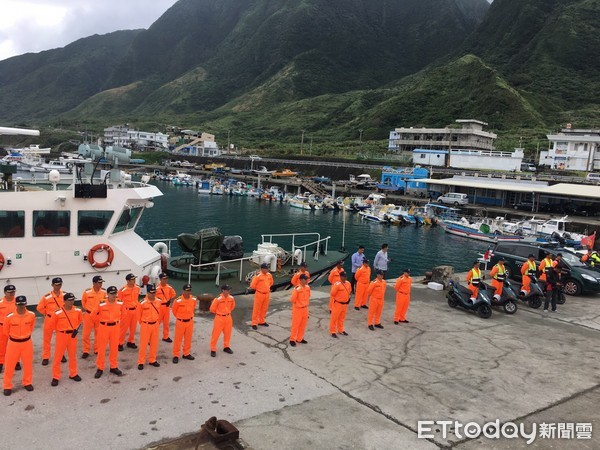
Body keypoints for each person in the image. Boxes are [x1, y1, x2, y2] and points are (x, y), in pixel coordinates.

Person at [3, 295, 35, 396]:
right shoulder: (9, 317)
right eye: (19, 304)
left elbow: (31, 327)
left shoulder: (31, 315)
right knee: (9, 365)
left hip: (27, 343)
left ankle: (27, 382)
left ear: (26, 303)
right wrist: (15, 338)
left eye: (23, 304)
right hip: (13, 343)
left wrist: (24, 336)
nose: (21, 306)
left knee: (28, 364)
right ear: (15, 304)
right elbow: (5, 331)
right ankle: (7, 386)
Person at [50, 293, 83, 386]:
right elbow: (52, 324)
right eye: (69, 300)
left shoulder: (78, 310)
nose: (71, 302)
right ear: (64, 301)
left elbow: (80, 320)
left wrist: (76, 329)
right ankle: (55, 376)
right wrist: (59, 330)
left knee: (72, 356)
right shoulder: (57, 312)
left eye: (73, 300)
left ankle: (73, 373)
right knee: (58, 357)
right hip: (61, 335)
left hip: (72, 335)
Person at [93, 286, 124, 378]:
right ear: (107, 294)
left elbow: (124, 314)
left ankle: (113, 366)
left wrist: (117, 321)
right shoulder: (102, 303)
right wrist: (101, 322)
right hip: (104, 327)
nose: (114, 295)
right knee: (101, 348)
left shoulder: (120, 303)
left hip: (115, 327)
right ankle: (100, 368)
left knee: (114, 348)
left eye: (115, 293)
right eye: (112, 294)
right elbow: (93, 314)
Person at [37, 277, 65, 365]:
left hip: (61, 320)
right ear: (52, 285)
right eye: (56, 285)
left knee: (60, 339)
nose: (58, 286)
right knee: (47, 339)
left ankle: (61, 354)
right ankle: (46, 356)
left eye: (60, 284)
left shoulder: (64, 295)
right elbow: (39, 308)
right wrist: (47, 313)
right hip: (49, 319)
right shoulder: (47, 297)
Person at [81, 275, 107, 359]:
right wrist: (88, 310)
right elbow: (83, 302)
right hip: (88, 315)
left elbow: (105, 302)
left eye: (101, 282)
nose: (101, 284)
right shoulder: (87, 292)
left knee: (98, 333)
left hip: (99, 316)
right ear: (94, 283)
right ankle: (86, 350)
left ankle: (97, 349)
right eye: (99, 283)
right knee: (86, 334)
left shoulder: (103, 292)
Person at [137, 284, 161, 370]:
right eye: (151, 292)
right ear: (147, 293)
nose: (153, 294)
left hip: (155, 324)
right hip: (145, 325)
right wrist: (143, 323)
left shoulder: (158, 301)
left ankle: (152, 360)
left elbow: (160, 312)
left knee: (154, 344)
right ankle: (141, 361)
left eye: (154, 292)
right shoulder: (142, 302)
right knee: (143, 344)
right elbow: (138, 315)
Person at [172, 284, 197, 363]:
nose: (188, 292)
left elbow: (193, 308)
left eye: (189, 291)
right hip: (180, 322)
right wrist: (180, 317)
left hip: (190, 322)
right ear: (183, 291)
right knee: (178, 339)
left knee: (188, 339)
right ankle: (176, 355)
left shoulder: (193, 299)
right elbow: (174, 311)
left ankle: (186, 353)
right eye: (187, 291)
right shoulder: (178, 300)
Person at [209, 285, 235, 357]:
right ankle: (213, 349)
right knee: (216, 334)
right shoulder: (218, 299)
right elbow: (212, 309)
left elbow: (233, 306)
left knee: (228, 333)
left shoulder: (231, 298)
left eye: (229, 290)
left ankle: (226, 347)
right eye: (227, 290)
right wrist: (219, 312)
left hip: (228, 317)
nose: (228, 291)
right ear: (223, 290)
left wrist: (227, 312)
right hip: (219, 318)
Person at [118, 273, 140, 351]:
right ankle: (120, 343)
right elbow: (119, 301)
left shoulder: (137, 288)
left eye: (134, 279)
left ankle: (131, 341)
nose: (134, 281)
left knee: (133, 328)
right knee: (123, 328)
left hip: (135, 310)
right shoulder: (122, 290)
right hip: (126, 311)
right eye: (132, 279)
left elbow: (136, 298)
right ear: (128, 281)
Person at [249, 263, 273, 330]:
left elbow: (271, 282)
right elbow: (252, 285)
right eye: (265, 268)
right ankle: (254, 323)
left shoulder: (269, 275)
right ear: (262, 269)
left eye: (267, 268)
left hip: (267, 294)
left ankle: (261, 321)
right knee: (257, 309)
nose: (267, 270)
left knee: (264, 309)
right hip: (259, 294)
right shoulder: (258, 276)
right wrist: (260, 288)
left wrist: (266, 287)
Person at [289, 274, 311, 346]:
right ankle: (292, 339)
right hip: (298, 309)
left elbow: (308, 296)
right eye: (305, 279)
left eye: (307, 279)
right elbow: (292, 299)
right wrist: (298, 304)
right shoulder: (297, 289)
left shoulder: (307, 287)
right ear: (301, 280)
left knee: (303, 324)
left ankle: (299, 338)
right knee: (296, 325)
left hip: (305, 308)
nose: (307, 280)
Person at [0, 285, 17, 373]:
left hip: (15, 327)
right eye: (10, 292)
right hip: (2, 327)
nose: (12, 294)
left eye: (13, 292)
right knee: (2, 346)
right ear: (5, 292)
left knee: (15, 346)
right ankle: (1, 363)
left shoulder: (17, 302)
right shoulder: (0, 302)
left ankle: (16, 361)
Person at [329, 272, 351, 338]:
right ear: (340, 277)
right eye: (344, 276)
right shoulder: (337, 284)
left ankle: (341, 329)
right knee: (334, 318)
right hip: (338, 304)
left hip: (345, 304)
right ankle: (332, 331)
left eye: (346, 276)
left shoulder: (348, 283)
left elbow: (349, 291)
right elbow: (332, 293)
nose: (345, 278)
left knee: (342, 318)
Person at [156, 273, 176, 343]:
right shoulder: (157, 289)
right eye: (164, 279)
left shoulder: (169, 288)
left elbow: (173, 294)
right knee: (156, 323)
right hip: (159, 307)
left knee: (166, 323)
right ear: (160, 279)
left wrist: (169, 300)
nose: (166, 280)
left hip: (167, 307)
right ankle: (152, 338)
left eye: (166, 278)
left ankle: (165, 336)